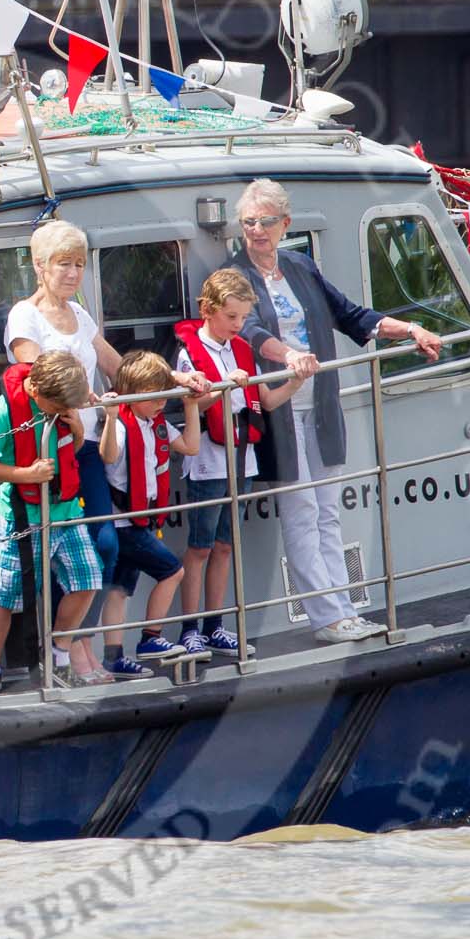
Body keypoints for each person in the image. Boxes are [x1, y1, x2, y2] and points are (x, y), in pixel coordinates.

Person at [231, 178, 442, 644]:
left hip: (321, 405)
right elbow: (246, 331)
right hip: (279, 410)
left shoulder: (300, 266)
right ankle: (325, 618)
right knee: (301, 511)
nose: (257, 231)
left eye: (266, 221)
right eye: (249, 222)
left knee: (328, 512)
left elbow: (351, 316)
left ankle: (344, 609)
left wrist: (410, 330)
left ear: (285, 224)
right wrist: (287, 356)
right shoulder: (235, 275)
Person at [4, 220, 210, 590]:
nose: (72, 273)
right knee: (52, 548)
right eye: (63, 263)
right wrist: (80, 392)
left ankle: (78, 641)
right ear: (40, 265)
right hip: (50, 446)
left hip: (85, 444)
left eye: (79, 264)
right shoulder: (24, 315)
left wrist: (175, 379)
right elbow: (37, 376)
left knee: (105, 543)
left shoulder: (79, 315)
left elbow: (118, 367)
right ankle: (58, 643)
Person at [172, 269, 302, 656]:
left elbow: (267, 400)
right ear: (209, 311)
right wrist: (224, 386)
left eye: (243, 317)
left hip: (241, 460)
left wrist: (295, 381)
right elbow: (193, 404)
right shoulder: (188, 353)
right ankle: (189, 629)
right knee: (199, 546)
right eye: (232, 317)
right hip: (209, 463)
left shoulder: (243, 349)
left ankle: (215, 625)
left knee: (226, 546)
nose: (238, 325)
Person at [0, 349, 107, 694]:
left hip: (66, 512)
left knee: (88, 578)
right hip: (22, 517)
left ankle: (58, 655)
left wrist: (75, 432)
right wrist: (25, 473)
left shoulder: (63, 406)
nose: (64, 413)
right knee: (4, 594)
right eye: (59, 409)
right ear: (36, 393)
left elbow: (66, 452)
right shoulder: (3, 412)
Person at [96, 352, 202, 679]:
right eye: (151, 395)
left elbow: (190, 445)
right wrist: (111, 418)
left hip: (142, 520)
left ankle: (113, 657)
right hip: (124, 523)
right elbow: (108, 455)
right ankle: (150, 638)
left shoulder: (157, 424)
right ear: (132, 392)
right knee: (172, 571)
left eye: (162, 393)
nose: (159, 402)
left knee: (119, 590)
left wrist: (191, 405)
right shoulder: (122, 424)